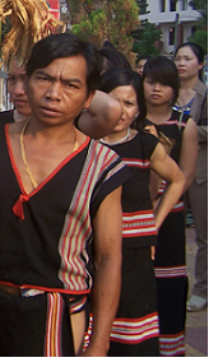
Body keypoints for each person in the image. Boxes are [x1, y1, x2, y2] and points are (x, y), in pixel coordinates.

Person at [0, 33, 131, 356]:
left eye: (71, 85)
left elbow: (108, 258)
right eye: (44, 78)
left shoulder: (102, 166)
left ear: (89, 96)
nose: (53, 94)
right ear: (27, 81)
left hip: (58, 317)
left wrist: (99, 344)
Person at [99, 68, 185, 355]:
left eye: (129, 103)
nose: (121, 111)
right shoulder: (83, 143)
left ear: (138, 109)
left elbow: (178, 180)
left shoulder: (145, 145)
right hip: (91, 253)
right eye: (114, 100)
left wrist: (153, 224)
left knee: (132, 335)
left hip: (135, 254)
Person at [143, 56, 198, 356]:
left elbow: (186, 175)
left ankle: (171, 346)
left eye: (164, 84)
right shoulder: (135, 121)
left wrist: (161, 208)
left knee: (169, 281)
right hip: (137, 209)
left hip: (171, 214)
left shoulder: (182, 124)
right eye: (151, 82)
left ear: (174, 88)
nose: (156, 89)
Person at [174, 43, 207, 312]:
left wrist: (187, 131)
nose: (181, 63)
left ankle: (202, 289)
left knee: (204, 236)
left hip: (199, 171)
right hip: (167, 168)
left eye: (188, 58)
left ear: (200, 64)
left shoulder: (204, 94)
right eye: (178, 58)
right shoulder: (167, 92)